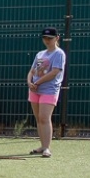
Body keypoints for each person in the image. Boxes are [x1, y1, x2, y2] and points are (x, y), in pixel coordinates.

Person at [27, 27, 66, 157]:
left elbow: (54, 72)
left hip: (49, 90)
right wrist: (29, 82)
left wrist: (37, 83)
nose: (47, 40)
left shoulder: (59, 53)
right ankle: (42, 146)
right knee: (39, 118)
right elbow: (32, 71)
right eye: (45, 38)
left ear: (57, 38)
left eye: (50, 38)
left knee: (44, 117)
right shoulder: (40, 54)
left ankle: (47, 148)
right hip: (35, 90)